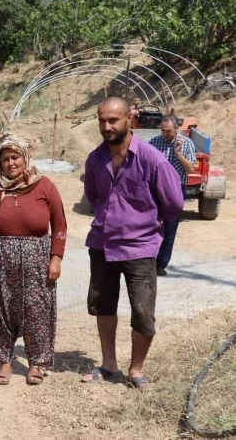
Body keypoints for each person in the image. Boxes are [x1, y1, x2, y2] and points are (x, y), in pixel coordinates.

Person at [81, 97, 183, 388]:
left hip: (140, 247)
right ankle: (109, 365)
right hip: (102, 244)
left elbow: (173, 204)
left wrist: (145, 227)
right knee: (103, 305)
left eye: (113, 120)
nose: (107, 126)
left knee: (142, 311)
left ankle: (135, 370)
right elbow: (94, 196)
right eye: (102, 120)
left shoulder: (152, 159)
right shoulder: (95, 159)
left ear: (129, 119)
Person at [0, 134, 67, 386]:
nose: (10, 163)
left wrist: (56, 258)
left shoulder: (45, 186)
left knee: (36, 311)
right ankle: (4, 361)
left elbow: (59, 225)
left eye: (15, 157)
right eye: (5, 158)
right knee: (1, 309)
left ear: (25, 158)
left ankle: (36, 363)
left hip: (37, 257)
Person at [148, 115, 196, 276]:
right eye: (162, 130)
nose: (164, 133)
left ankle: (160, 264)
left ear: (176, 129)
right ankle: (146, 261)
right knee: (149, 225)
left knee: (169, 229)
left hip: (175, 190)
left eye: (168, 131)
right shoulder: (154, 141)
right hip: (154, 190)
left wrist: (179, 154)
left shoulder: (186, 143)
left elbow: (190, 169)